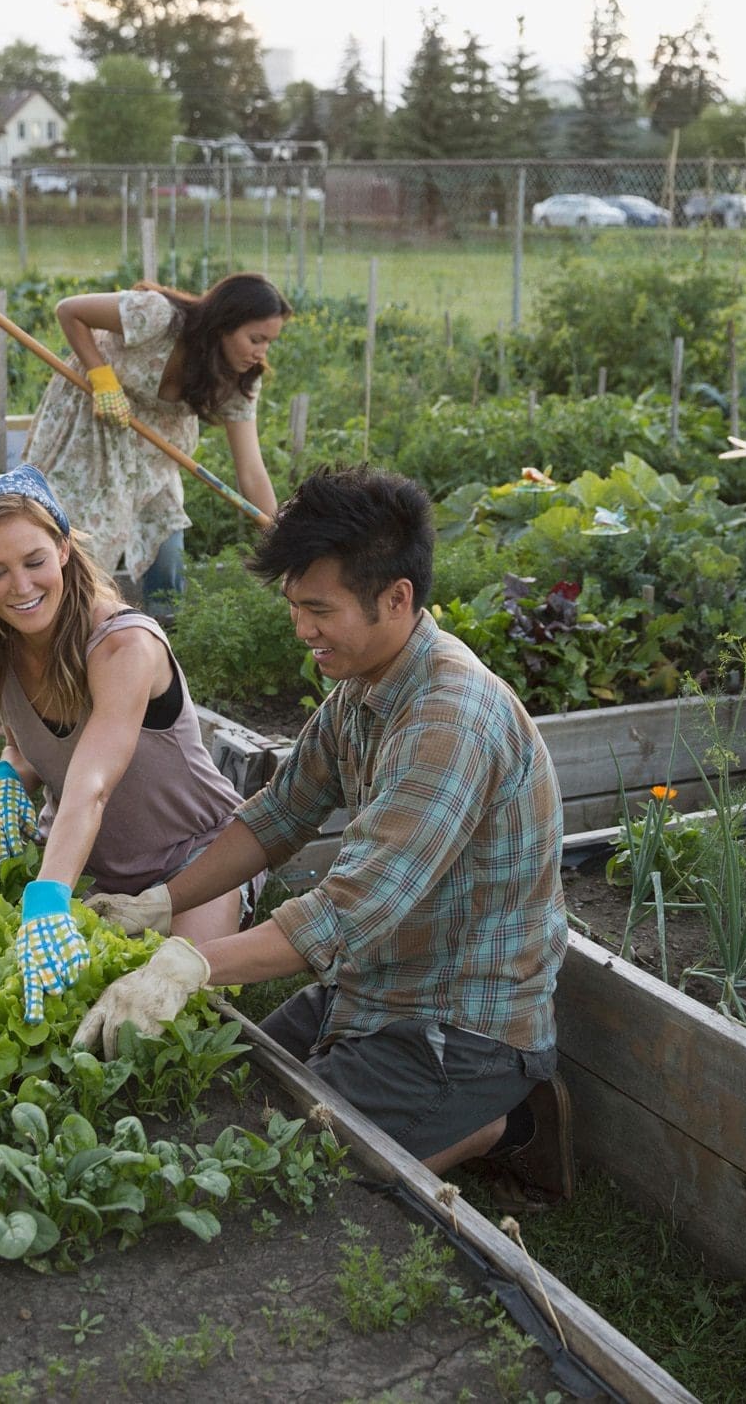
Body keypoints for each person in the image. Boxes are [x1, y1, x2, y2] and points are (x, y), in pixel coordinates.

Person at [74, 467, 575, 1196]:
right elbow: (278, 817)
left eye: (319, 608)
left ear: (396, 598)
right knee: (216, 1097)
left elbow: (347, 912)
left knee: (274, 1174)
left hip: (459, 1028)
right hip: (369, 987)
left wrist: (191, 963)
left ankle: (500, 1119)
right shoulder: (362, 686)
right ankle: (474, 1123)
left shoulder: (449, 721)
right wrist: (160, 902)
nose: (301, 628)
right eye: (293, 605)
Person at [0, 466, 252, 1026]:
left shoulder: (124, 644)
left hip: (196, 860)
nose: (20, 588)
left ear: (64, 549)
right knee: (40, 1006)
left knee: (171, 1014)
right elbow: (26, 746)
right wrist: (6, 778)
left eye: (33, 562)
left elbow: (92, 784)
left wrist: (48, 897)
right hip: (95, 866)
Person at [22, 274, 288, 619]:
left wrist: (278, 535)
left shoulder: (237, 381)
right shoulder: (159, 316)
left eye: (269, 343)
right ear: (225, 324)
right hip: (93, 424)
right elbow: (69, 311)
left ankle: (163, 632)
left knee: (165, 540)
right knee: (83, 538)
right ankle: (63, 626)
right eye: (255, 339)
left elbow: (251, 469)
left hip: (153, 452)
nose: (261, 353)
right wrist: (102, 378)